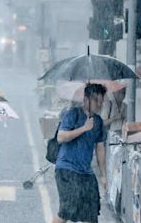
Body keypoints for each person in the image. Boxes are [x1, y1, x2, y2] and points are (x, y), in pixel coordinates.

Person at [52, 83, 107, 223]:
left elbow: (100, 148)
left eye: (102, 101)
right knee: (67, 209)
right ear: (86, 99)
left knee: (91, 212)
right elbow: (61, 137)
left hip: (86, 172)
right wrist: (84, 128)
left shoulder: (99, 122)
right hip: (67, 169)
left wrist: (103, 175)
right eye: (96, 100)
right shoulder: (73, 114)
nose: (99, 104)